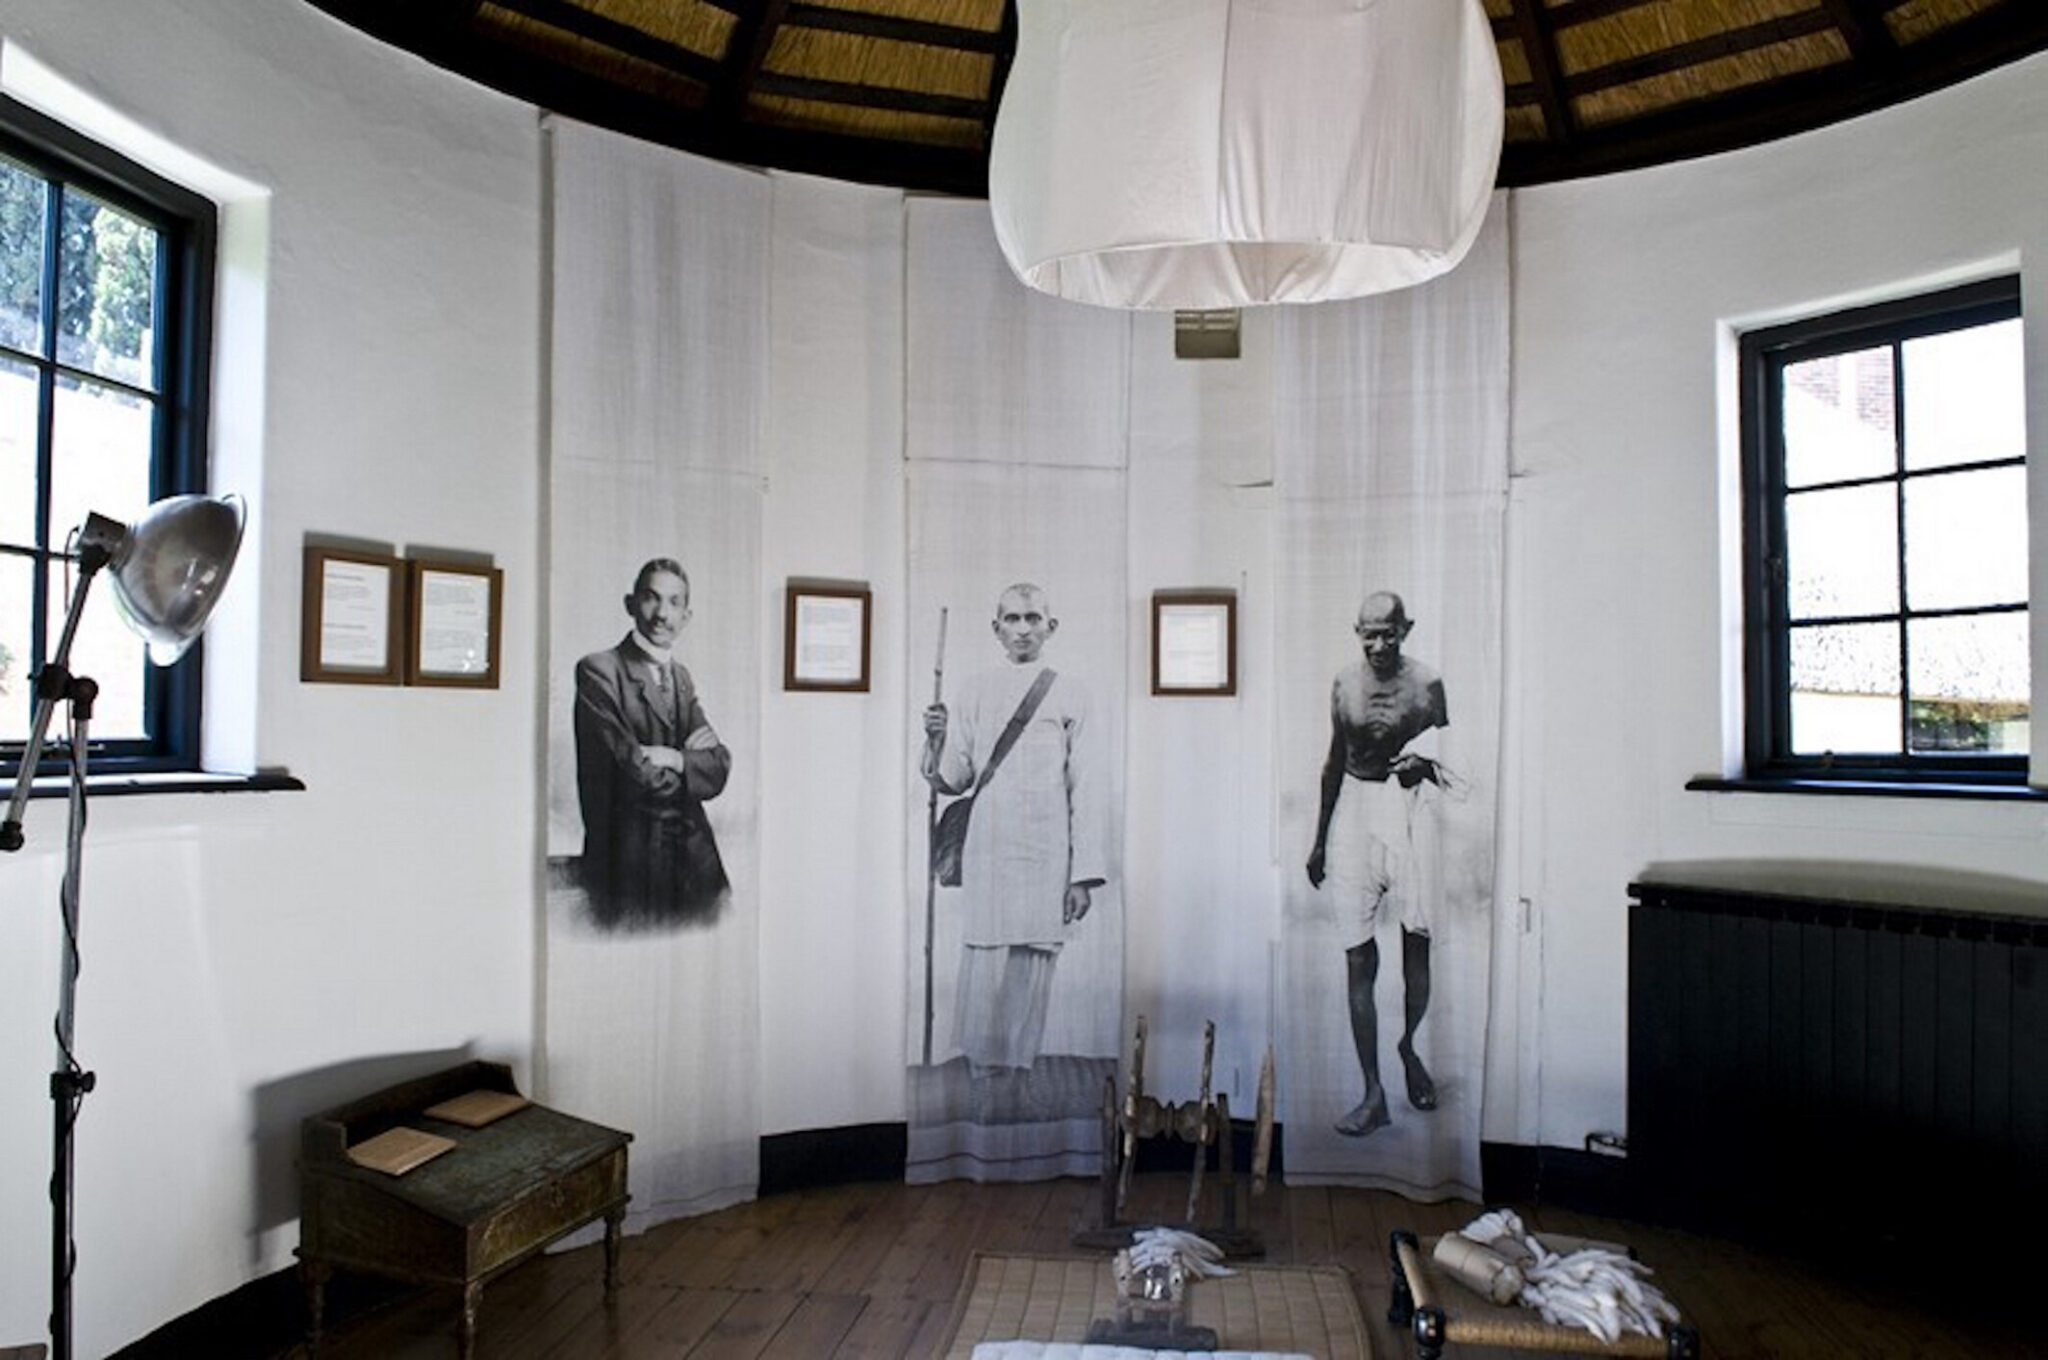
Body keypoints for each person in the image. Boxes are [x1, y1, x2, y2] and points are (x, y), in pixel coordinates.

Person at [922, 583, 1107, 1080]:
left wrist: (1083, 876)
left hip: (1049, 847)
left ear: (1051, 626)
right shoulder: (974, 689)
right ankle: (981, 1066)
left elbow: (1087, 786)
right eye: (1012, 619)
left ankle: (1018, 1066)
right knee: (985, 952)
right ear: (996, 627)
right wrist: (935, 739)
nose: (1022, 629)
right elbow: (953, 777)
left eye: (1032, 618)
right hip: (990, 841)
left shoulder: (1073, 693)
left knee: (1033, 956)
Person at [1306, 591, 1446, 1136]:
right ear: (1356, 631)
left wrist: (1426, 766)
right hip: (1356, 813)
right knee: (1357, 957)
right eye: (1369, 633)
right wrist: (1319, 841)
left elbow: (1460, 758)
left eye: (1388, 632)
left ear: (1405, 629)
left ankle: (1409, 1048)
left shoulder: (1429, 683)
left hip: (1410, 813)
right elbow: (1333, 761)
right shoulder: (1344, 683)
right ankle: (1372, 1091)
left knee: (1417, 943)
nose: (1378, 643)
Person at [574, 557, 731, 930]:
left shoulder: (680, 677)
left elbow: (720, 766)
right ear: (630, 604)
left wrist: (674, 759)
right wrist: (692, 769)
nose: (662, 614)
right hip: (630, 866)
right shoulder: (599, 670)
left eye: (675, 603)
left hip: (697, 863)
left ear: (686, 617)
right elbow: (633, 775)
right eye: (652, 598)